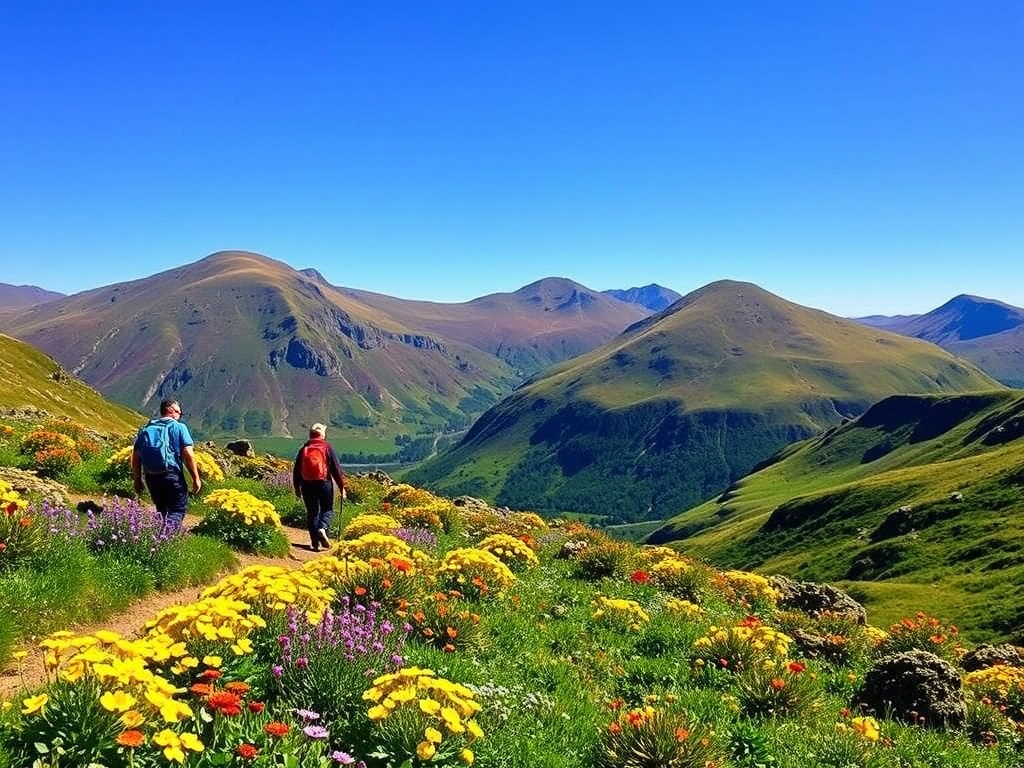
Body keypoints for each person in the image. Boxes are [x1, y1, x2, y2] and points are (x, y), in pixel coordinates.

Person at [132, 398, 202, 533]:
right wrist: (196, 478)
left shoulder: (146, 428)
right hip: (171, 474)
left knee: (161, 510)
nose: (179, 416)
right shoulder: (179, 427)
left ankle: (154, 542)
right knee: (177, 510)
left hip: (151, 476)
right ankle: (163, 542)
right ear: (170, 411)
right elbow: (188, 454)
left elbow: (136, 456)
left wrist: (137, 479)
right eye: (178, 413)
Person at [292, 422, 345, 552]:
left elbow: (296, 470)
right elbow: (336, 469)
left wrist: (297, 488)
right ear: (322, 435)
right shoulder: (327, 447)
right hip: (324, 483)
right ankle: (323, 528)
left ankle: (315, 543)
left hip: (307, 484)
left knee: (312, 512)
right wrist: (342, 487)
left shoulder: (304, 448)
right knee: (327, 509)